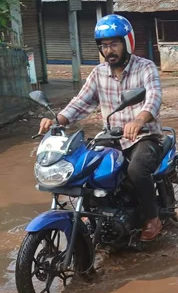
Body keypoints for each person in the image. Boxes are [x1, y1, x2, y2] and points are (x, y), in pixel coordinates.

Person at [37, 14, 164, 241]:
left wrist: (138, 120)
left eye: (114, 44)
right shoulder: (98, 73)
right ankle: (92, 210)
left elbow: (153, 97)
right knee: (83, 166)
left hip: (144, 137)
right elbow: (81, 102)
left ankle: (152, 218)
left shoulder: (145, 67)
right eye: (104, 46)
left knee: (136, 169)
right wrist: (57, 120)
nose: (109, 50)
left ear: (127, 42)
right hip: (110, 138)